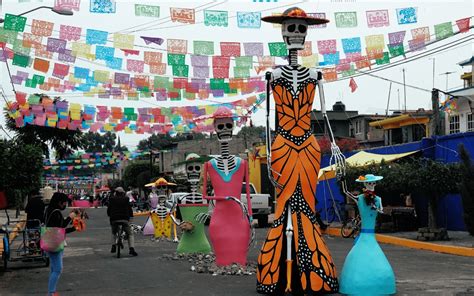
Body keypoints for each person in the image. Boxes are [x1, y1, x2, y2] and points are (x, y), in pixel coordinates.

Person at [44, 192, 76, 296]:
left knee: (54, 268)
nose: (65, 205)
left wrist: (73, 228)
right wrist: (70, 217)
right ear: (59, 202)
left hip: (50, 239)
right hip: (55, 241)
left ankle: (51, 291)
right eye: (64, 203)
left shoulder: (49, 210)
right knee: (58, 269)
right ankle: (51, 293)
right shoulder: (56, 212)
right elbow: (61, 228)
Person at [107, 187, 138, 256]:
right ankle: (131, 249)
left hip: (114, 219)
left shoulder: (112, 199)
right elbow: (130, 210)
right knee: (130, 234)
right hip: (124, 219)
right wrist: (131, 217)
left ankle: (113, 246)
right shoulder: (126, 199)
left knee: (113, 232)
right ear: (123, 193)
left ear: (116, 193)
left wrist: (110, 215)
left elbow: (109, 210)